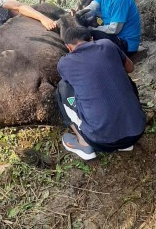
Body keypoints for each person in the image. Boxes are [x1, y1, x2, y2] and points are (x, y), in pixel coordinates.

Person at [56, 26, 146, 161]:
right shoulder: (108, 45)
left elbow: (73, 84)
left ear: (68, 47)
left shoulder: (64, 63)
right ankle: (125, 138)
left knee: (62, 88)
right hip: (137, 132)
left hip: (100, 141)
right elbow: (130, 68)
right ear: (92, 39)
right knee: (124, 78)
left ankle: (84, 143)